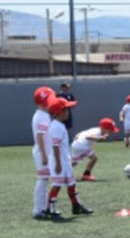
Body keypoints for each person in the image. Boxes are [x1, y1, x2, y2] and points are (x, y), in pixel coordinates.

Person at [46, 96, 93, 218]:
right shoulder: (56, 126)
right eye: (66, 109)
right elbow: (55, 147)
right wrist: (57, 164)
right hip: (59, 162)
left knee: (71, 183)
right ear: (59, 112)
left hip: (64, 161)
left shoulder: (60, 125)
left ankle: (76, 206)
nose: (69, 112)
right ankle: (50, 210)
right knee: (56, 185)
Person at [31, 86, 55, 219]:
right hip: (42, 153)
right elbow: (40, 137)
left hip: (43, 152)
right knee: (42, 180)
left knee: (44, 180)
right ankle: (38, 209)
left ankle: (43, 207)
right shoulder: (43, 117)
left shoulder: (42, 115)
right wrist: (44, 155)